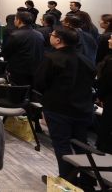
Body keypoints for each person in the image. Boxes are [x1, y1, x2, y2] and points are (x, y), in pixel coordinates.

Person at [35, 27, 95, 181]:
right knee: (81, 144)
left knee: (61, 144)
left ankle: (66, 180)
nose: (50, 36)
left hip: (58, 108)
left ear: (58, 40)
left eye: (52, 35)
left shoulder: (51, 58)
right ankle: (87, 180)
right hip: (83, 108)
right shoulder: (86, 60)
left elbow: (40, 83)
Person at [0, 11, 44, 86]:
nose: (14, 21)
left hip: (19, 70)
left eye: (15, 19)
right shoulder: (39, 34)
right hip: (35, 69)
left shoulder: (15, 35)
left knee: (18, 90)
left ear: (19, 21)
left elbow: (6, 52)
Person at [96, 36, 112, 152]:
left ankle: (103, 146)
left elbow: (107, 81)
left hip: (109, 96)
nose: (109, 40)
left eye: (111, 39)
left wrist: (100, 95)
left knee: (107, 122)